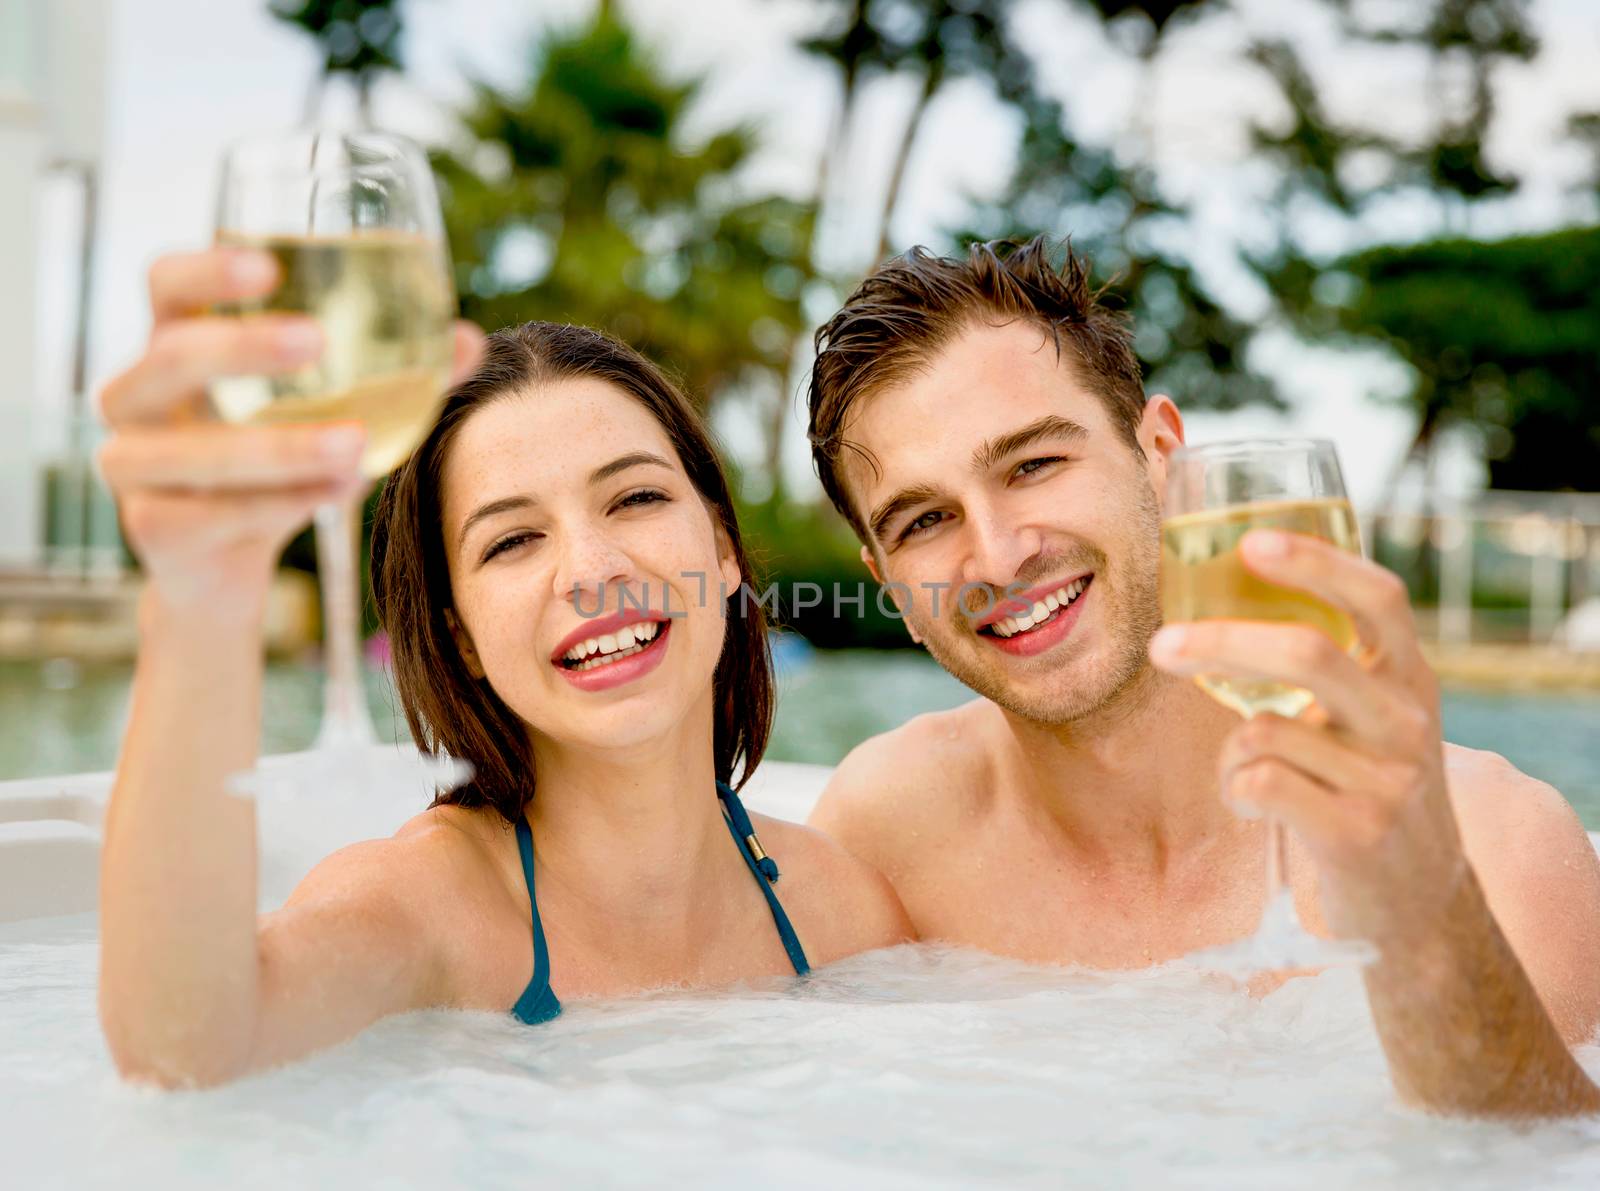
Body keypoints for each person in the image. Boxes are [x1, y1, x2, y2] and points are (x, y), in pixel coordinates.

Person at [803, 236, 1600, 1117]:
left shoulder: (1494, 844)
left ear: (1161, 453)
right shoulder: (883, 837)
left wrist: (1417, 892)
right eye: (923, 520)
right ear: (886, 578)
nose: (996, 554)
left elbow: (1543, 1163)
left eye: (1033, 464)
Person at [95, 247, 911, 1089]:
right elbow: (183, 1045)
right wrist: (199, 599)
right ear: (462, 639)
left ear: (725, 549)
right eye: (513, 540)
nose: (592, 573)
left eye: (635, 498)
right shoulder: (427, 909)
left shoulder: (846, 915)